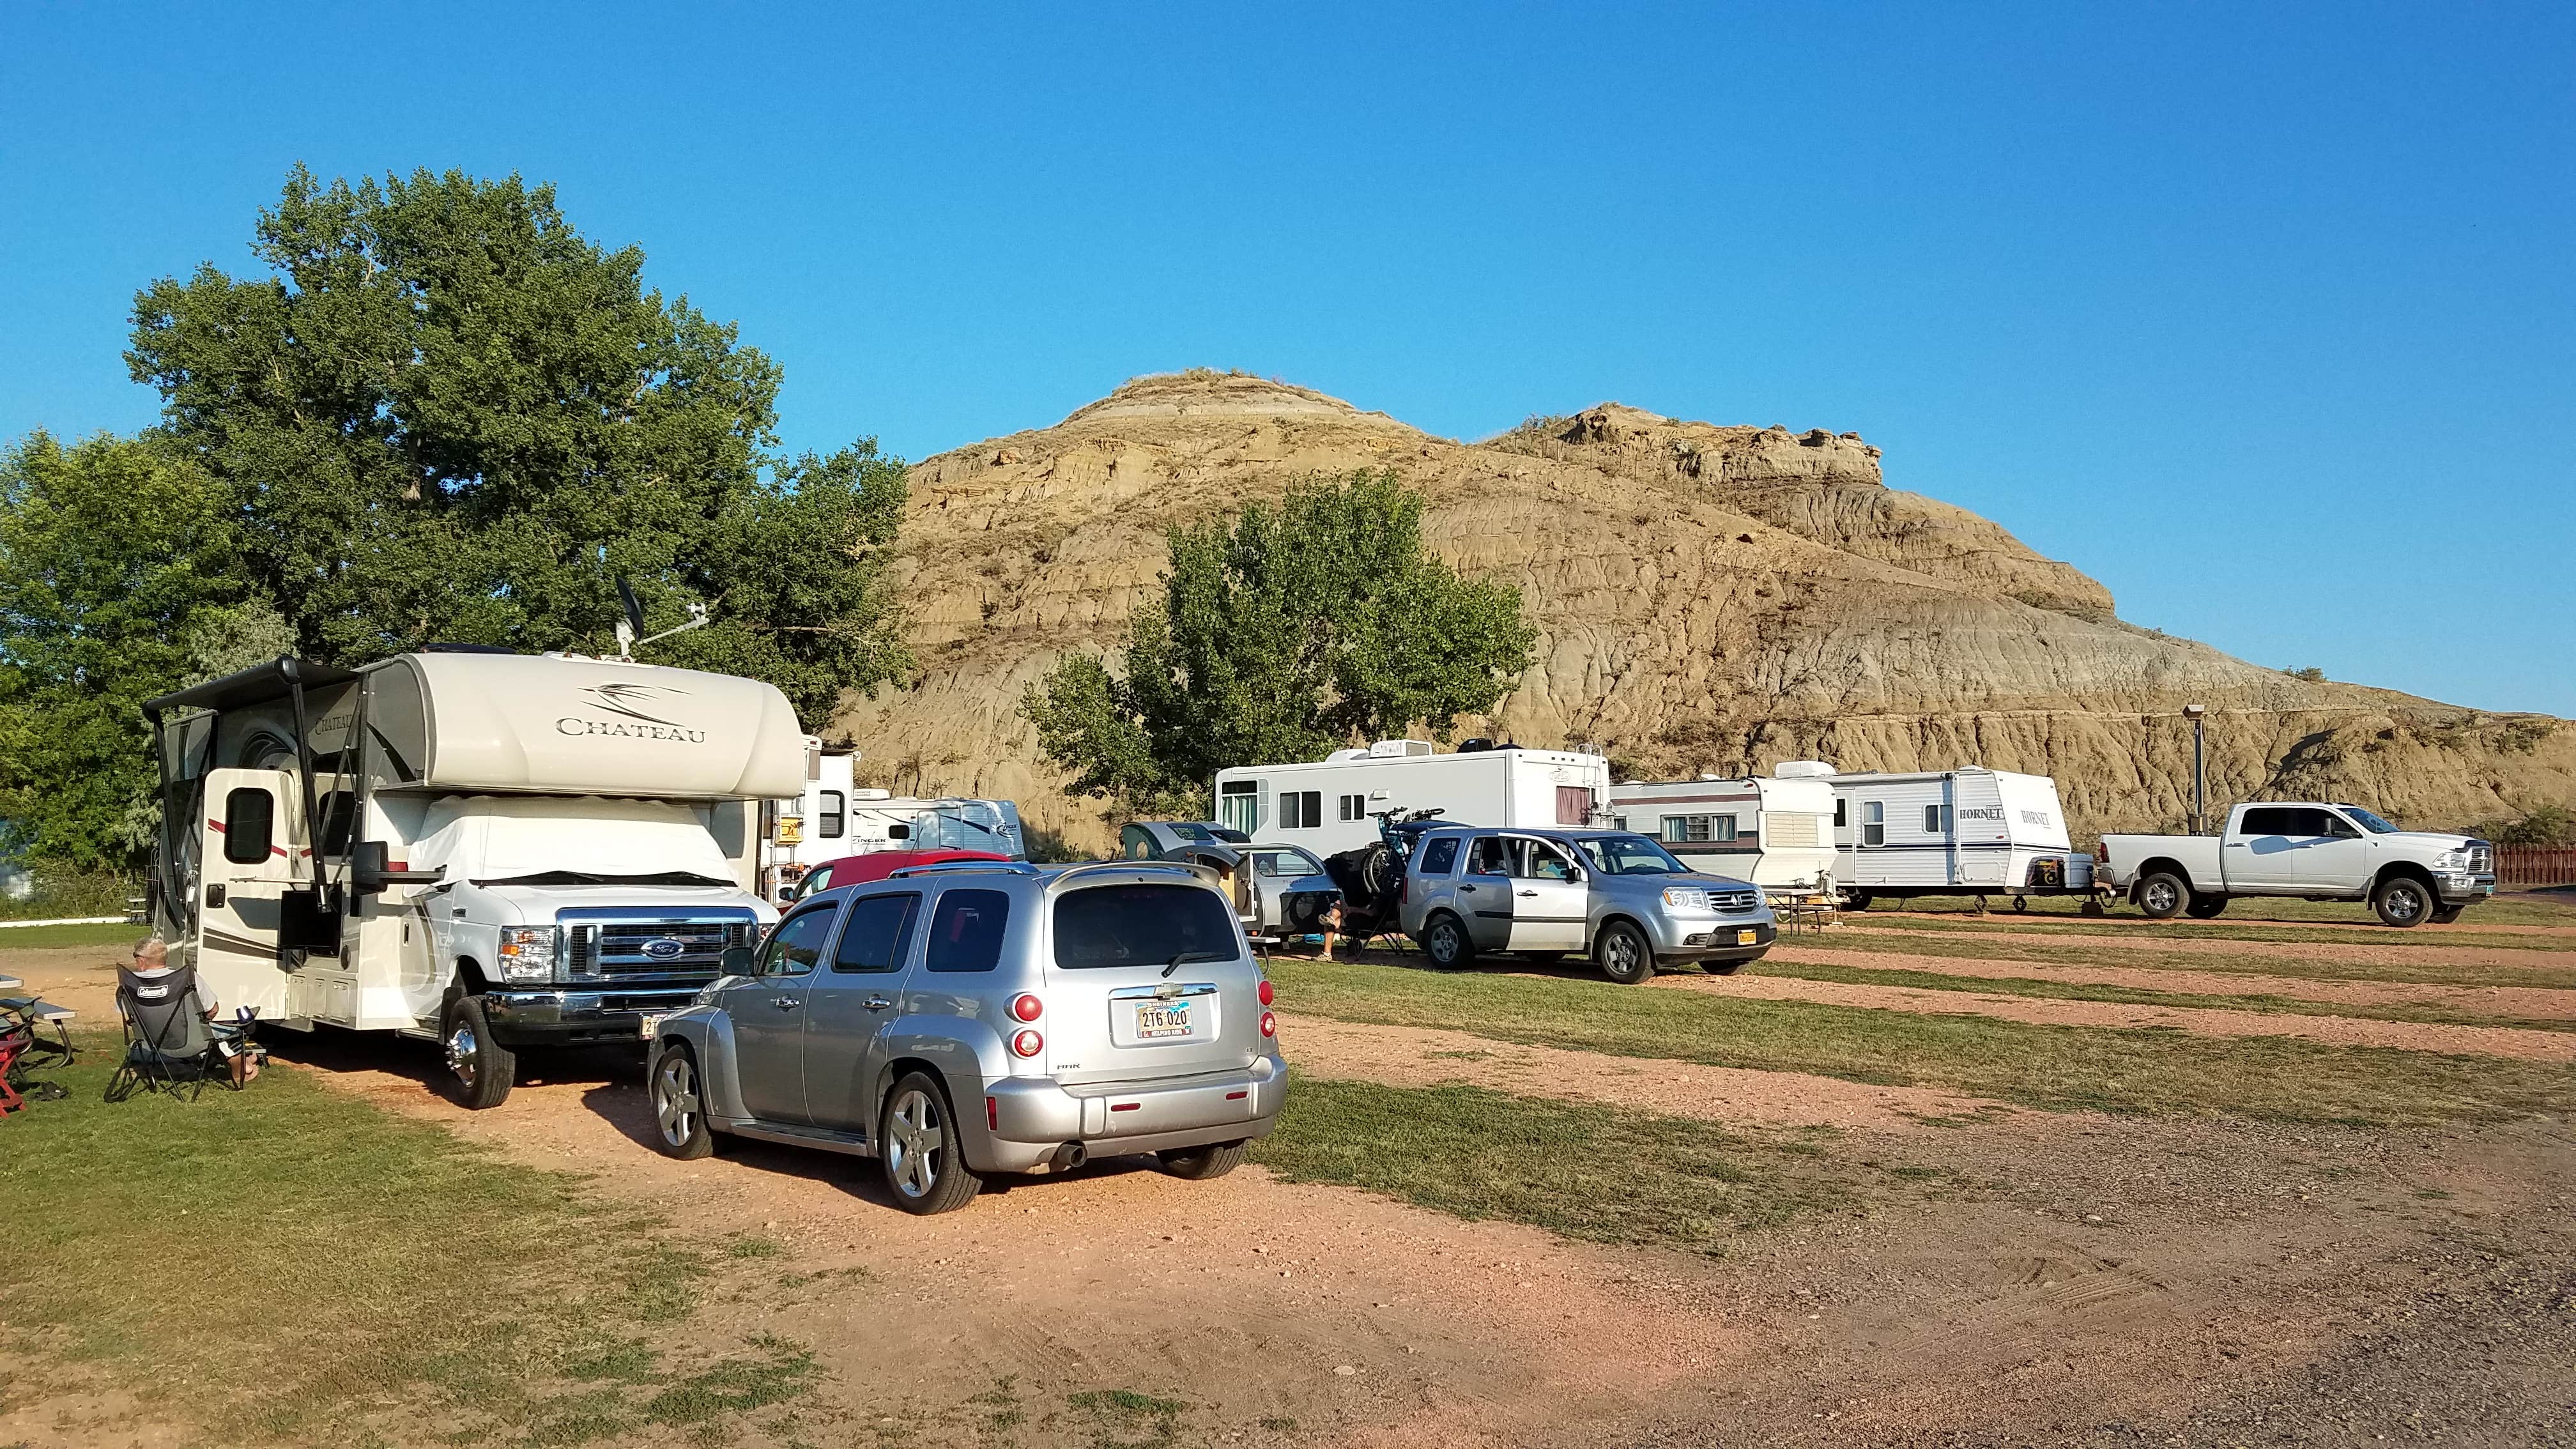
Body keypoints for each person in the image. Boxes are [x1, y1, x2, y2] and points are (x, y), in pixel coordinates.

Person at [128, 938, 259, 1085]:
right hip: (191, 1043)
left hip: (151, 1044)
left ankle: (245, 1060)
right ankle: (241, 1070)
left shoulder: (131, 983)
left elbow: (129, 1014)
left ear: (141, 960)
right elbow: (213, 1009)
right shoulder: (185, 978)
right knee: (231, 1031)